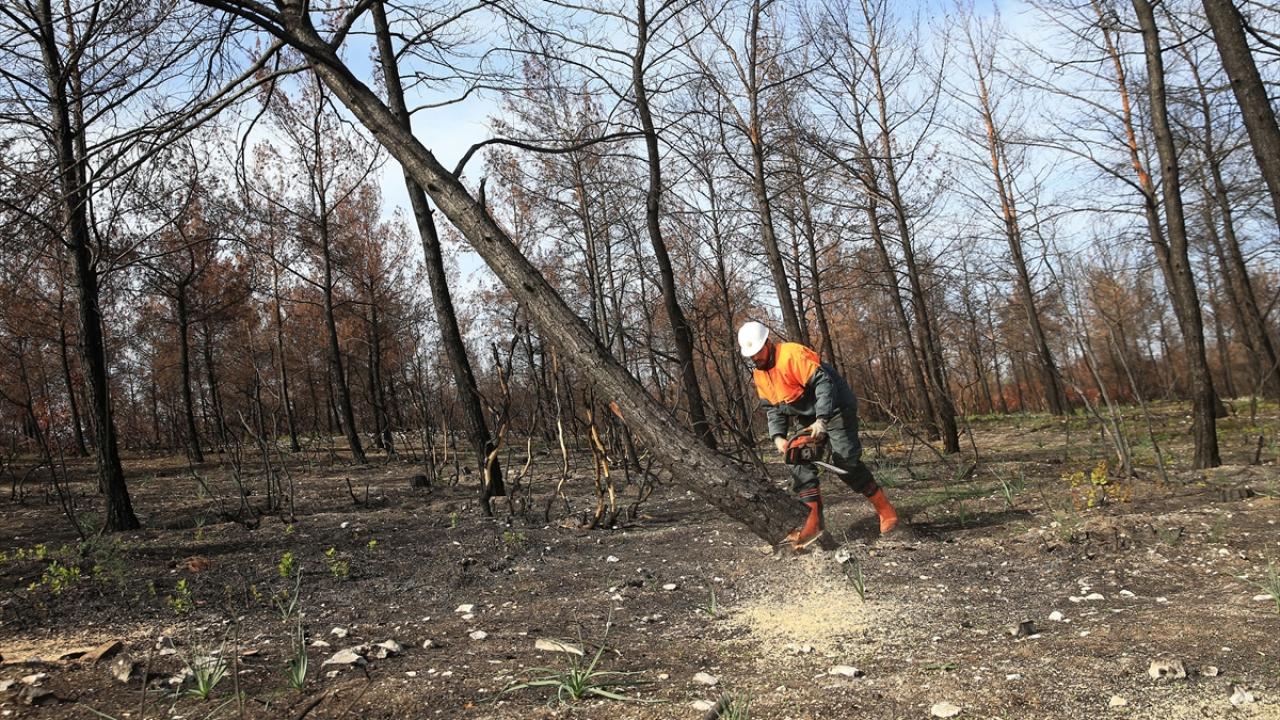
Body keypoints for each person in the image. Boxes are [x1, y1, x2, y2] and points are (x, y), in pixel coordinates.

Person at [737, 321, 899, 549]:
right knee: (798, 458)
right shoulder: (760, 375)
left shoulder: (792, 355)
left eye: (757, 352)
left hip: (835, 407)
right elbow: (773, 409)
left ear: (768, 343)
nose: (755, 358)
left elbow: (824, 384)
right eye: (750, 356)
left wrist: (822, 419)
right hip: (809, 417)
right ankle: (813, 524)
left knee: (846, 461)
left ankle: (885, 509)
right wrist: (778, 437)